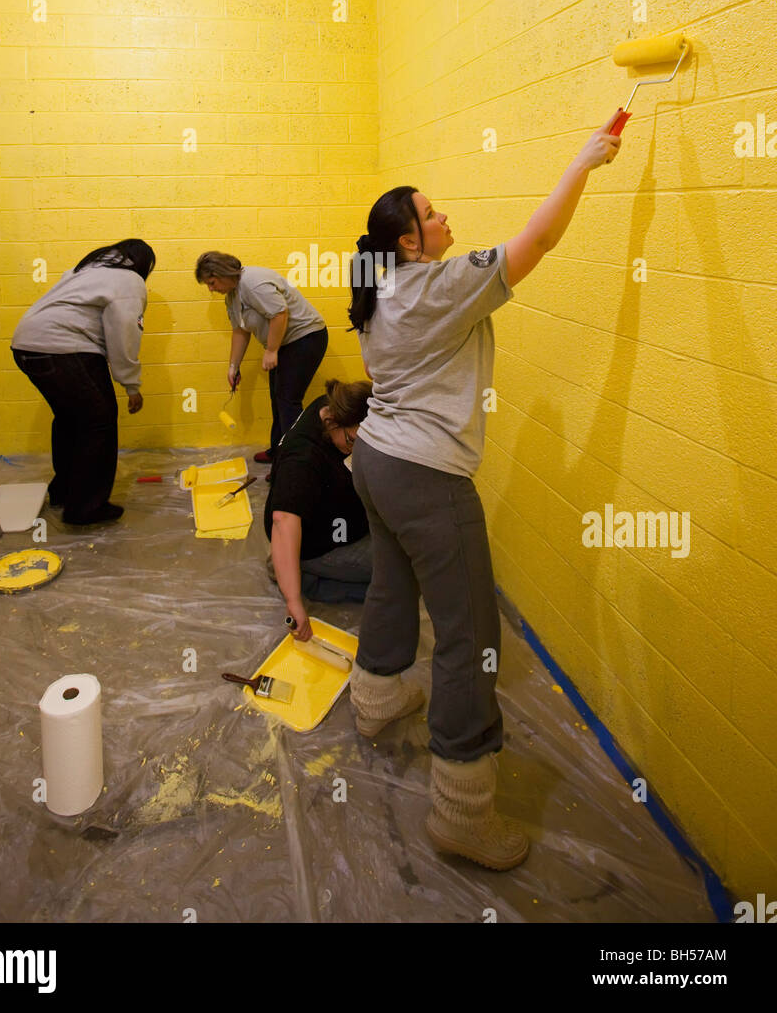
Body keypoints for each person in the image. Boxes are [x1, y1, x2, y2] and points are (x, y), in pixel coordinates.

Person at [346, 111, 624, 871]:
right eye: (432, 216)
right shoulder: (434, 287)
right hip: (427, 477)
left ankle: (374, 702)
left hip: (374, 459)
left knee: (391, 584)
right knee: (471, 635)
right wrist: (581, 165)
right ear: (409, 240)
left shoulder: (378, 290)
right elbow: (535, 245)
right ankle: (462, 812)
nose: (444, 220)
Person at [10, 238, 155, 526]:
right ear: (143, 263)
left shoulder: (82, 271)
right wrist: (131, 385)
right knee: (98, 423)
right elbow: (125, 335)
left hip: (26, 345)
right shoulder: (128, 281)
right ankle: (85, 507)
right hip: (65, 348)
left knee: (69, 420)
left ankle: (64, 491)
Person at [195, 252, 328, 470]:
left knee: (288, 400)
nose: (211, 289)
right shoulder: (232, 296)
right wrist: (233, 367)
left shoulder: (252, 283)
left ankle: (294, 464)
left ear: (223, 273)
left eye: (211, 282)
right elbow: (240, 331)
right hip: (285, 343)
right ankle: (279, 450)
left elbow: (279, 314)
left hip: (306, 338)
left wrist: (271, 350)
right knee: (278, 398)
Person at [265, 378, 373, 617]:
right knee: (398, 571)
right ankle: (303, 577)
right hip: (318, 545)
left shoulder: (330, 404)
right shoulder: (302, 458)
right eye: (351, 441)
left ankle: (288, 564)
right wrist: (294, 602)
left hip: (338, 524)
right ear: (331, 422)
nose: (355, 449)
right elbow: (283, 519)